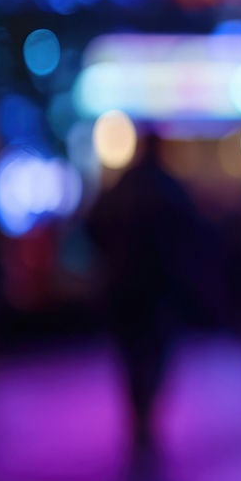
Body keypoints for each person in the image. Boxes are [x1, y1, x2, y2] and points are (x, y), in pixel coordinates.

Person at [86, 130, 200, 460]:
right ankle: (146, 419)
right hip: (158, 292)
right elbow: (191, 235)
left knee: (131, 359)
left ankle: (140, 419)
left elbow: (93, 225)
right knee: (156, 356)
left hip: (124, 291)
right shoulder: (168, 188)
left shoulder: (122, 187)